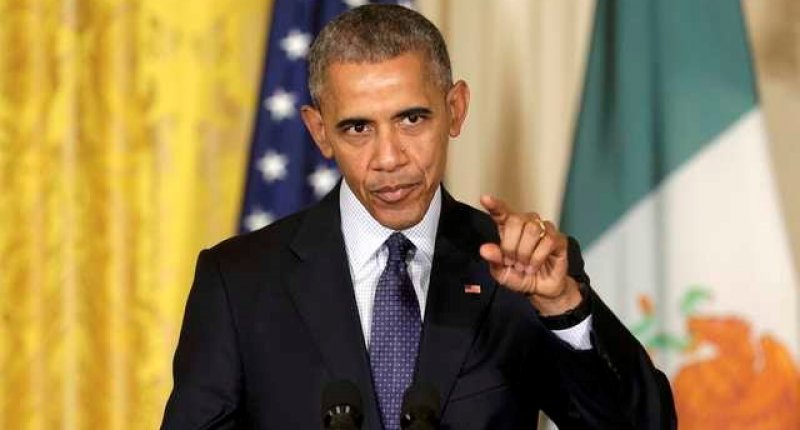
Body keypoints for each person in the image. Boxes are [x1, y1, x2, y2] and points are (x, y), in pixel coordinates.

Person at [162, 4, 676, 429]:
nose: (389, 157)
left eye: (412, 118)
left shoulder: (519, 272)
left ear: (456, 108)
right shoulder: (239, 281)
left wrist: (562, 305)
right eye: (358, 128)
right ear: (319, 132)